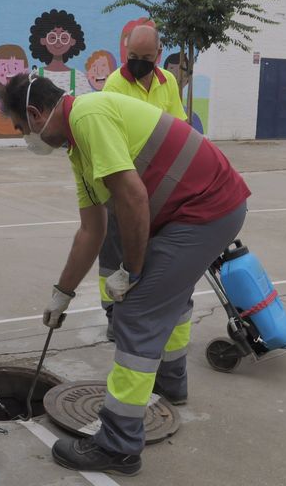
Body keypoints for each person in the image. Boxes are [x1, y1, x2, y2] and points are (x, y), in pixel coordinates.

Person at [0, 74, 249, 475]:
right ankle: (169, 384)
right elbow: (92, 229)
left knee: (137, 314)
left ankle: (118, 447)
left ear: (35, 113)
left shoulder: (88, 115)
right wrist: (61, 292)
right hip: (203, 210)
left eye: (20, 129)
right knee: (167, 294)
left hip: (206, 209)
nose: (24, 137)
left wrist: (131, 271)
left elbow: (132, 197)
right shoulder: (77, 147)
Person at [99, 25, 189, 344]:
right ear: (126, 52)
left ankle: (142, 311)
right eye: (133, 57)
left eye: (146, 57)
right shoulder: (114, 83)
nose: (138, 63)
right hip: (123, 178)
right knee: (116, 249)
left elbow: (178, 127)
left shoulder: (168, 83)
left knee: (149, 251)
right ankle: (112, 313)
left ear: (158, 55)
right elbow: (110, 134)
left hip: (158, 182)